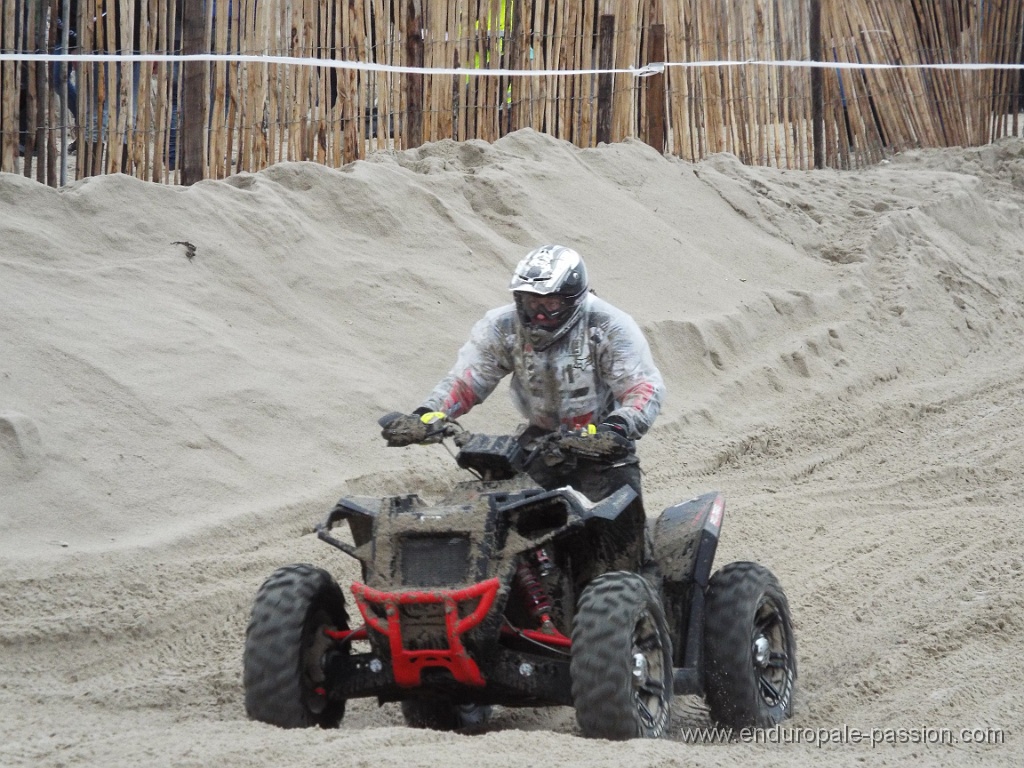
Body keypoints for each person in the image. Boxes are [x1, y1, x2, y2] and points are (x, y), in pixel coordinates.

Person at [382, 244, 665, 505]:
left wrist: (616, 429)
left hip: (602, 446)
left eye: (550, 303)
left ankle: (643, 560)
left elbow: (642, 388)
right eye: (531, 302)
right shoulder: (502, 326)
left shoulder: (609, 325)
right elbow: (468, 380)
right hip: (540, 444)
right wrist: (426, 414)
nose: (539, 314)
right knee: (498, 515)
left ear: (572, 299)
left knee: (621, 529)